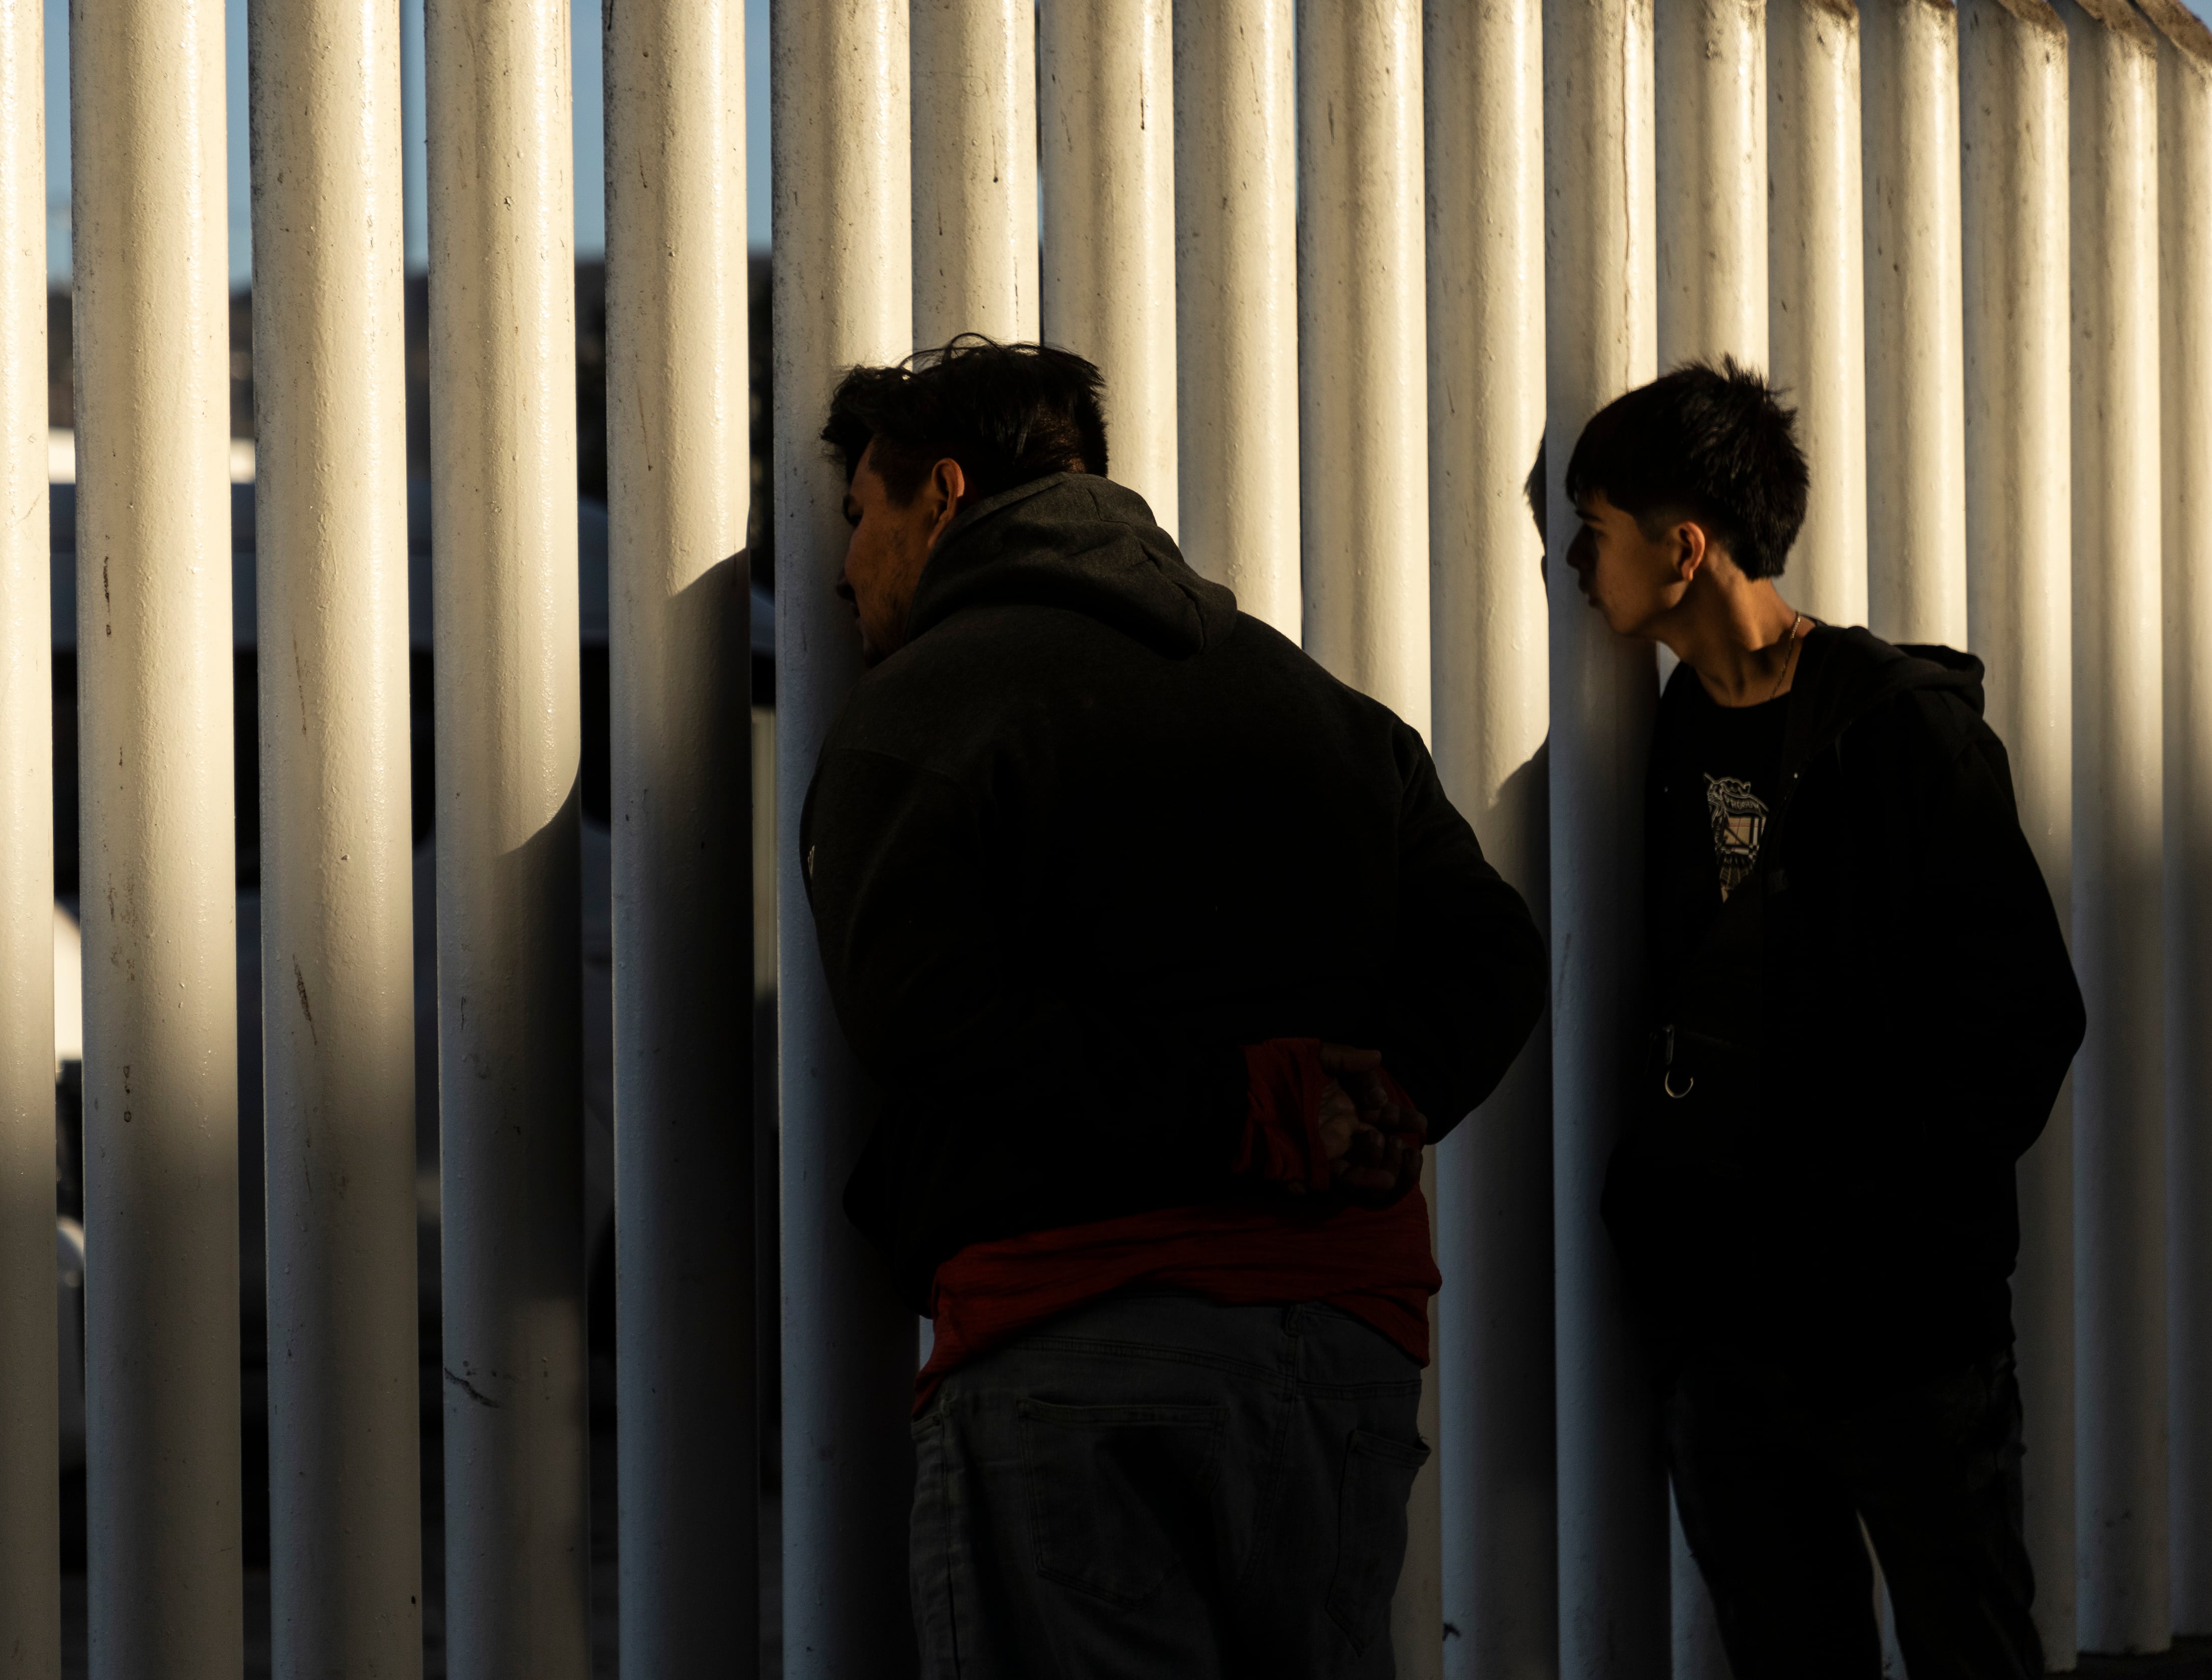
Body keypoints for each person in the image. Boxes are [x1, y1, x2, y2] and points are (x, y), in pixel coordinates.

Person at [798, 336, 1548, 1678]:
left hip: (1072, 1336)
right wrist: (1377, 1099)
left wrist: (1238, 1112)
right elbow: (1493, 950)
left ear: (944, 495)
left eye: (860, 516)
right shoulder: (1315, 701)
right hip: (1344, 1349)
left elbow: (923, 1016)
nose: (844, 564)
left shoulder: (924, 710)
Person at [1559, 360, 2085, 1680]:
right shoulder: (1676, 729)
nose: (1576, 564)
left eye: (1595, 529)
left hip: (1898, 1331)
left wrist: (1891, 1227)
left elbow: (2026, 1016)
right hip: (1731, 1340)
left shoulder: (1901, 736)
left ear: (1682, 549)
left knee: (1971, 1646)